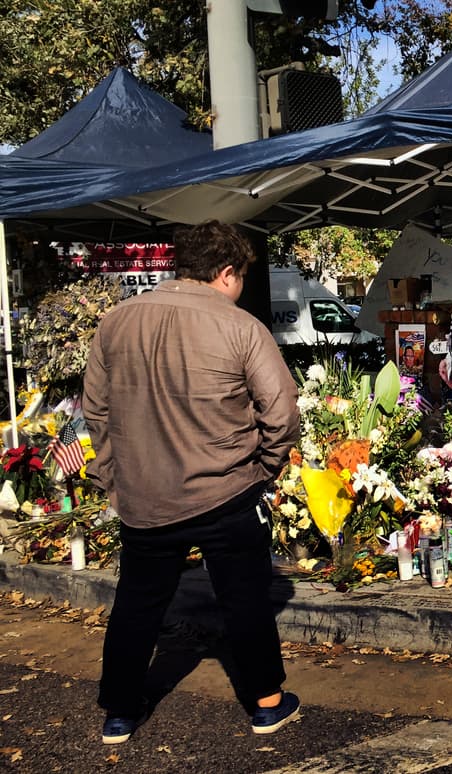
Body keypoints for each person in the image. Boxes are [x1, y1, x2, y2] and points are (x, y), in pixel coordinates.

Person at [83, 220, 302, 744]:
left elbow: (96, 410)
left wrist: (115, 476)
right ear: (226, 272)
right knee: (245, 597)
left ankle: (119, 711)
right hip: (225, 488)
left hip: (145, 494)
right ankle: (266, 704)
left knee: (137, 602)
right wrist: (263, 469)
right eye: (241, 275)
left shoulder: (115, 323)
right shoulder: (240, 326)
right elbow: (282, 412)